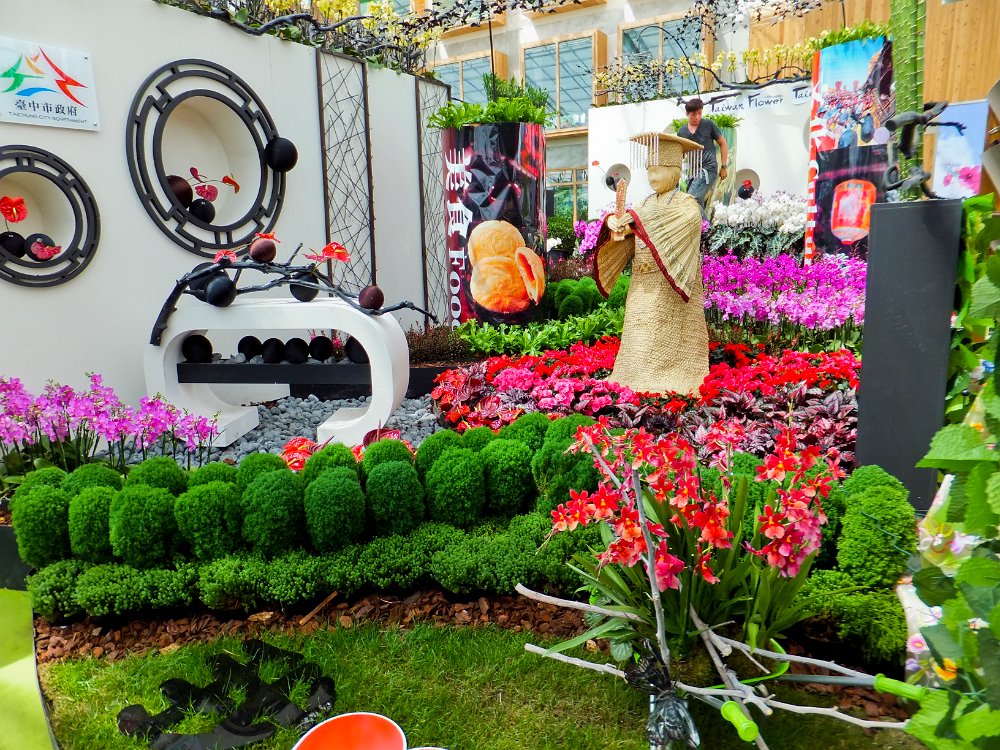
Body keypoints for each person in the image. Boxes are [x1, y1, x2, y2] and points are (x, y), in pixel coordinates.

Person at [592, 132, 708, 395]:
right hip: (642, 284)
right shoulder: (644, 203)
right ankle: (632, 374)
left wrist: (638, 218)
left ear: (674, 171)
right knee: (639, 331)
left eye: (657, 170)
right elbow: (636, 225)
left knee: (664, 334)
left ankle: (669, 374)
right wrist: (616, 224)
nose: (652, 176)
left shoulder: (686, 203)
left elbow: (687, 221)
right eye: (649, 170)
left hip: (669, 285)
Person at [675, 98, 729, 215]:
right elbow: (681, 153)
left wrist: (724, 166)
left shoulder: (708, 124)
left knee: (690, 199)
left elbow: (723, 143)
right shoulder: (682, 131)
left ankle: (705, 226)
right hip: (693, 173)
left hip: (708, 169)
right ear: (687, 114)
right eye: (694, 114)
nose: (697, 117)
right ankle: (704, 226)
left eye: (700, 113)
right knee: (696, 203)